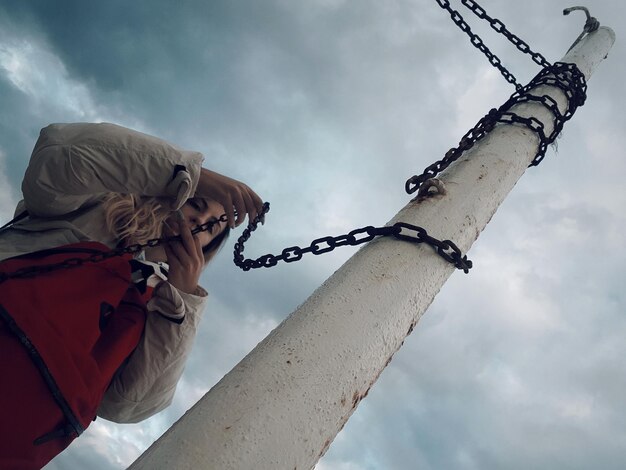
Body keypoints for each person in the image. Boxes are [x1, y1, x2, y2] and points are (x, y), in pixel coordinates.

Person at [0, 122, 263, 424]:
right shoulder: (92, 203)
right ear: (176, 196)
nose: (199, 219)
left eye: (212, 226)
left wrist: (183, 302)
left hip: (22, 405)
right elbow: (56, 154)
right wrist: (190, 175)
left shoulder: (159, 302)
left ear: (207, 247)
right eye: (197, 203)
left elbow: (127, 405)